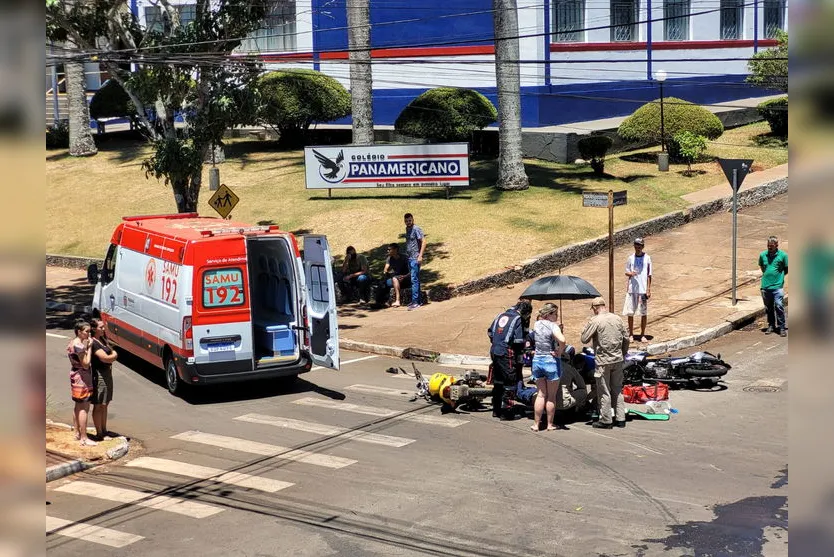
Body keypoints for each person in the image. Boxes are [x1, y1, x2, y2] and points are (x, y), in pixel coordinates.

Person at [581, 297, 630, 429]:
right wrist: (623, 353)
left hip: (603, 361)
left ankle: (606, 419)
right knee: (617, 389)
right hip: (618, 359)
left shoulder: (595, 320)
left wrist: (587, 327)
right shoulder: (617, 318)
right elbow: (626, 338)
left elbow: (584, 339)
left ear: (595, 308)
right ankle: (621, 418)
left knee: (604, 391)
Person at [488, 299, 532, 420]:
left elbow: (490, 333)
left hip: (494, 349)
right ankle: (506, 412)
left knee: (498, 380)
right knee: (510, 381)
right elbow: (518, 341)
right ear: (525, 312)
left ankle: (496, 409)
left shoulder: (500, 315)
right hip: (507, 351)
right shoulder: (517, 319)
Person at [530, 303, 566, 432]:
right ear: (549, 314)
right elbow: (562, 340)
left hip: (537, 360)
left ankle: (536, 424)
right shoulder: (553, 326)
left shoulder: (536, 324)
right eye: (555, 313)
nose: (557, 316)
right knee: (551, 396)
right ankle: (550, 424)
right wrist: (560, 351)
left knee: (540, 394)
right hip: (550, 361)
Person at [67, 319, 97, 446]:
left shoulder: (72, 343)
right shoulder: (79, 345)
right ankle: (84, 437)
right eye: (87, 331)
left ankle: (77, 433)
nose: (89, 334)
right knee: (84, 407)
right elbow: (85, 364)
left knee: (77, 406)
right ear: (79, 332)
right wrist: (89, 348)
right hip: (82, 378)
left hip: (75, 375)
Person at [90, 317, 118, 440]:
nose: (103, 329)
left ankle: (104, 429)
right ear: (94, 329)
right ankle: (99, 432)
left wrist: (112, 355)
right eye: (100, 327)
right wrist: (114, 355)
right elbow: (106, 358)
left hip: (107, 373)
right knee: (99, 404)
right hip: (99, 374)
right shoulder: (94, 343)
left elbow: (110, 352)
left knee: (105, 403)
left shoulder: (102, 339)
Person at [623, 237, 652, 342]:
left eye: (639, 246)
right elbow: (626, 271)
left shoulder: (647, 258)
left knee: (643, 313)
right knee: (630, 312)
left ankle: (642, 334)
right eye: (636, 245)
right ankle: (631, 334)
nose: (637, 247)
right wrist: (631, 273)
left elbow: (649, 275)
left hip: (642, 289)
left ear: (642, 246)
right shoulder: (630, 258)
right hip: (632, 289)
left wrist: (648, 289)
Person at [759, 235, 788, 337]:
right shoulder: (763, 255)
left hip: (777, 287)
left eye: (771, 246)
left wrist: (779, 278)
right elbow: (762, 267)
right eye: (768, 245)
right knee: (769, 308)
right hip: (765, 287)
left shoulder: (783, 256)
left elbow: (786, 268)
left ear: (777, 245)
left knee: (779, 305)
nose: (769, 247)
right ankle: (771, 325)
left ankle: (781, 327)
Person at [403, 213, 426, 310]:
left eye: (410, 220)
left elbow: (424, 242)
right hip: (409, 258)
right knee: (415, 279)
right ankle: (418, 301)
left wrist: (420, 256)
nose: (408, 222)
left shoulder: (416, 229)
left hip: (415, 258)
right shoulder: (407, 229)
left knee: (414, 279)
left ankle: (415, 302)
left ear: (413, 220)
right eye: (406, 221)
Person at [382, 243, 411, 307]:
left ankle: (397, 301)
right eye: (387, 249)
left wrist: (404, 276)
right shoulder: (389, 258)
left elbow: (412, 271)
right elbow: (385, 269)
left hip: (406, 278)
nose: (388, 251)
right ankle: (381, 302)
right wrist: (386, 272)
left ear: (395, 250)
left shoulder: (405, 257)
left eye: (389, 249)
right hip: (396, 278)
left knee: (394, 279)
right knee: (383, 283)